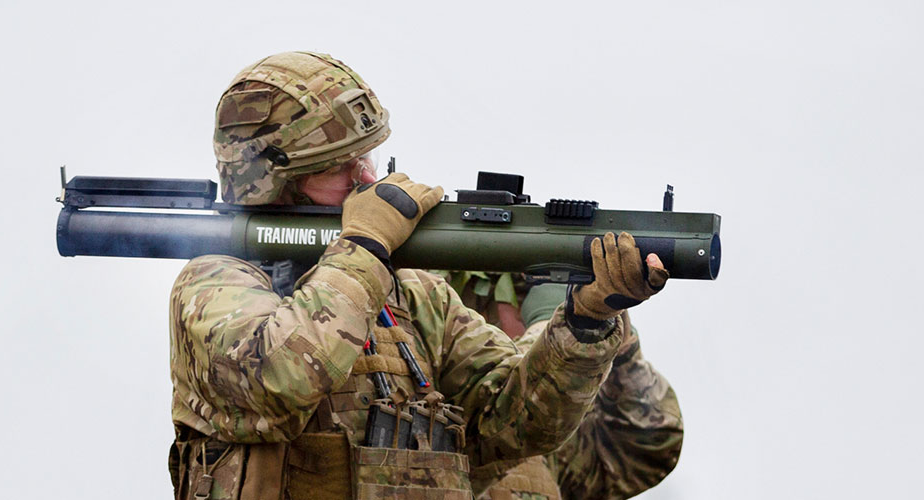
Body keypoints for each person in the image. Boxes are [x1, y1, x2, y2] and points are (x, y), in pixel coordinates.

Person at [167, 51, 671, 500]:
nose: (365, 178)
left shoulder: (414, 295)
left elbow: (515, 424)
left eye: (364, 156)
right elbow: (277, 380)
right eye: (336, 167)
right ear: (277, 183)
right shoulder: (214, 284)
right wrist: (364, 246)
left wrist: (584, 321)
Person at [442, 276, 683, 499]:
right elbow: (500, 419)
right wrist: (548, 326)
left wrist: (623, 353)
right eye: (522, 300)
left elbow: (651, 448)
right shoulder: (437, 393)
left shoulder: (555, 420)